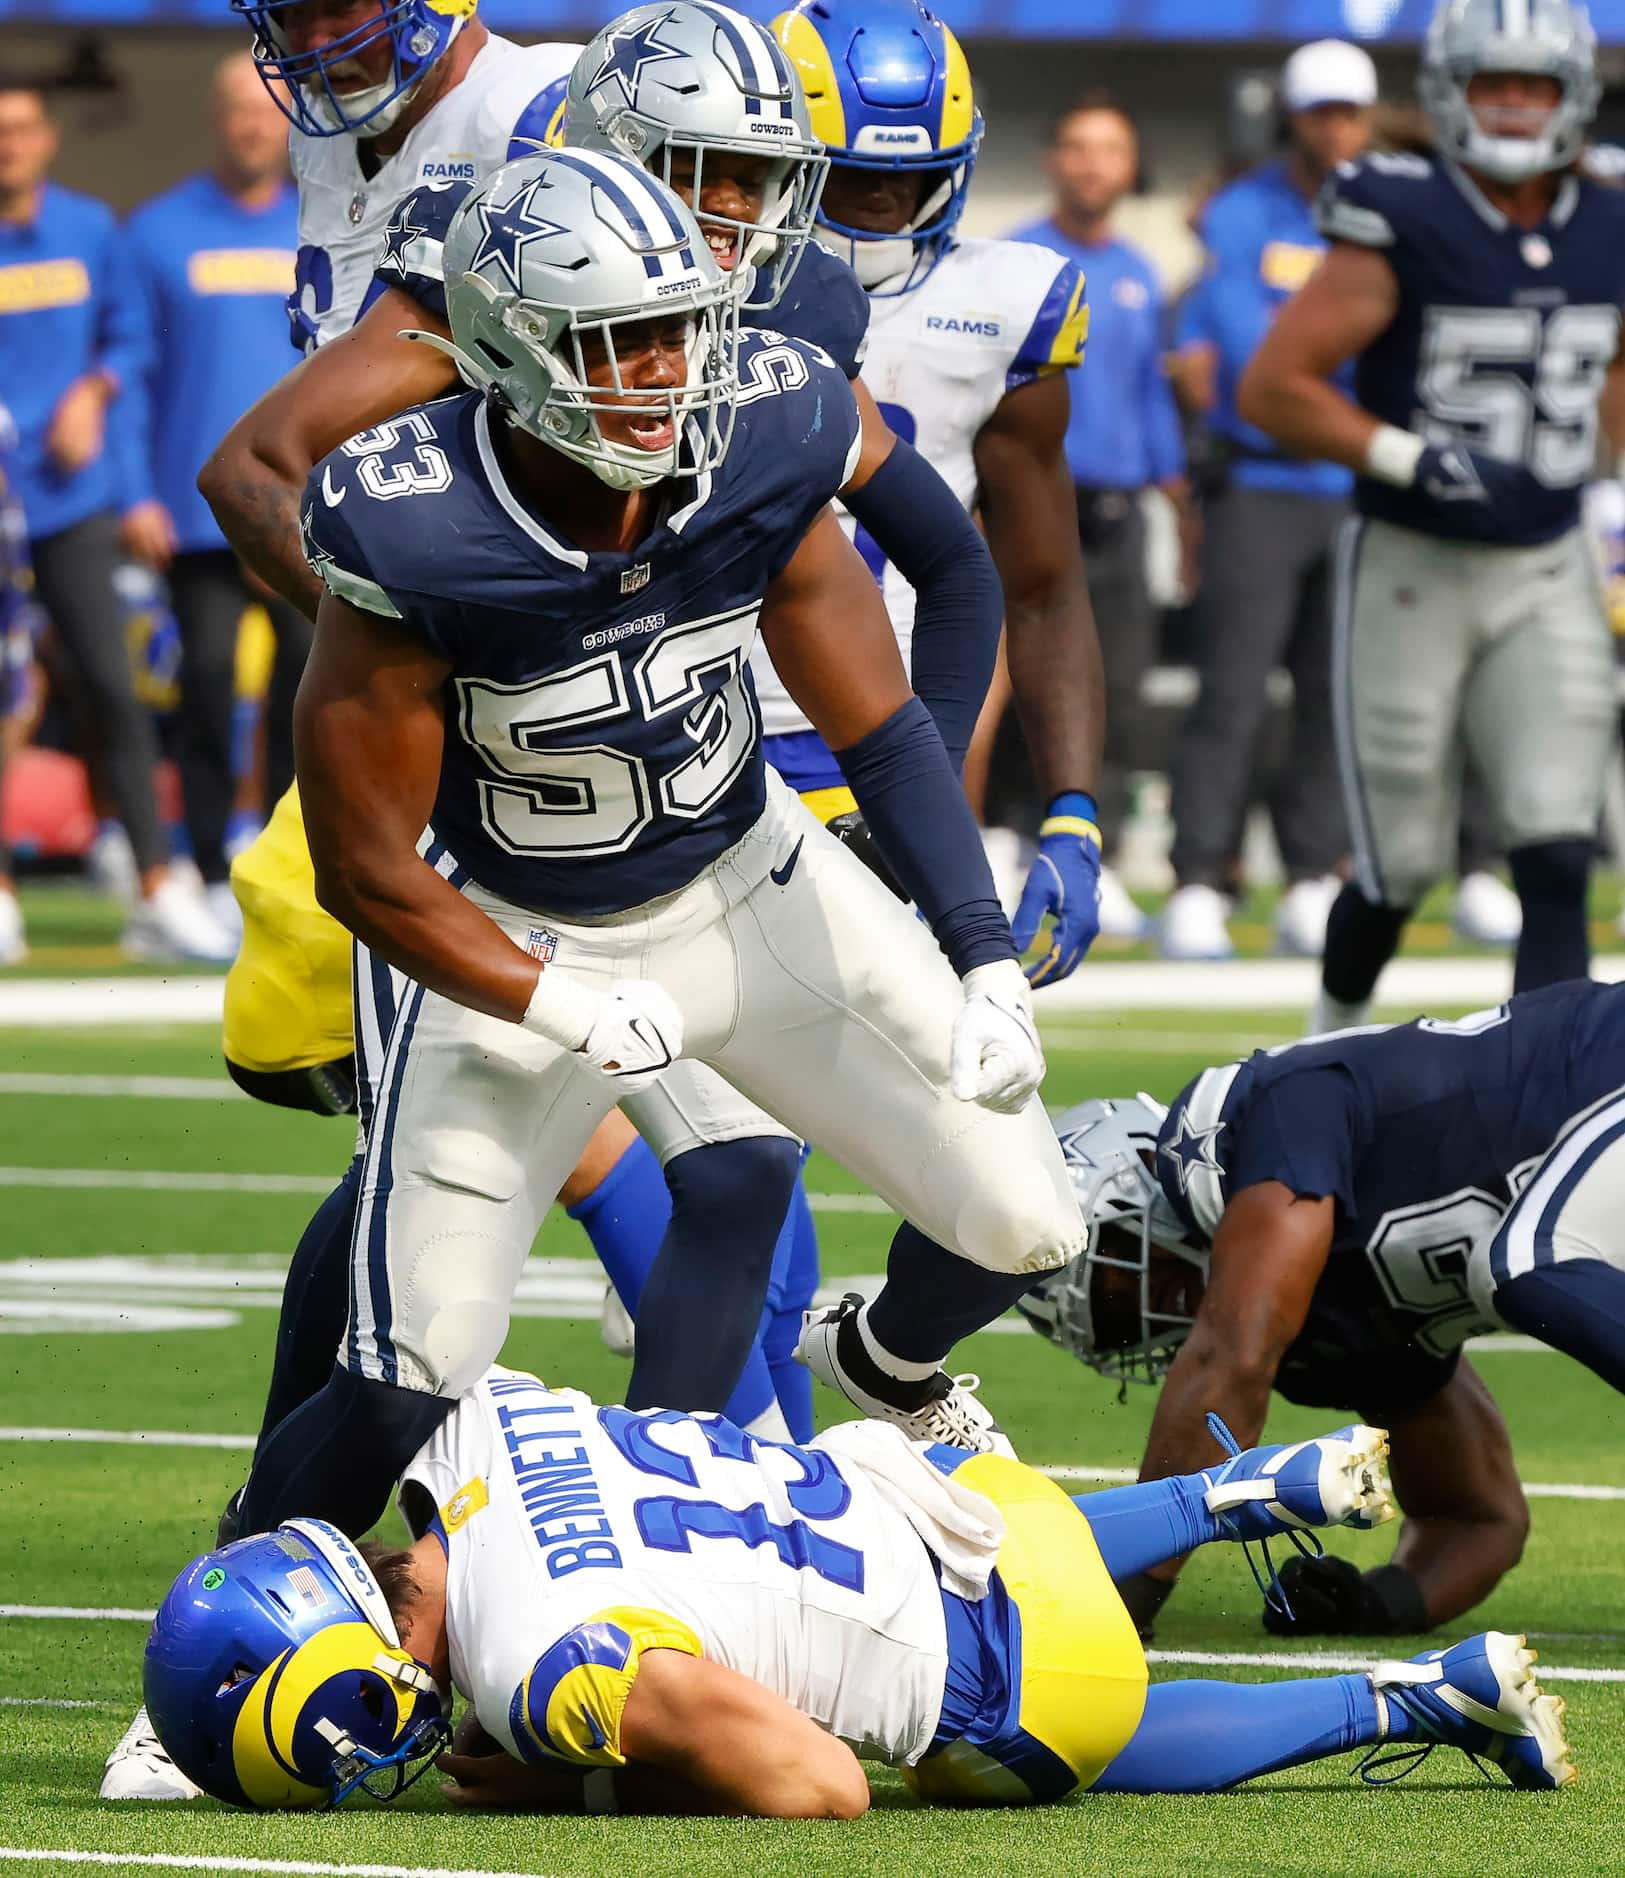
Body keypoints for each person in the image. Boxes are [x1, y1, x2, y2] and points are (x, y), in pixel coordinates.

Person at [199, 1, 1006, 1493]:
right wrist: (455, 669)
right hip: (467, 813)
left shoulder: (794, 307)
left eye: (763, 179)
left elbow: (951, 568)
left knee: (737, 1161)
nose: (748, 220)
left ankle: (672, 1511)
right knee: (436, 1209)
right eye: (707, 174)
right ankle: (271, 1566)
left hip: (684, 794)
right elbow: (259, 464)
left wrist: (920, 803)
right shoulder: (497, 245)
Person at [142, 1364, 1577, 1813]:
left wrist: (581, 1778)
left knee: (961, 1759)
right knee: (949, 1534)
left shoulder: (536, 1666)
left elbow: (817, 1781)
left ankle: (1410, 1692)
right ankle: (1233, 1490)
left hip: (1032, 1671)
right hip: (951, 1496)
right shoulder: (478, 1422)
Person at [1023, 976, 1625, 1640]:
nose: (1148, 1310)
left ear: (1130, 1172)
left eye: (1116, 1280)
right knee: (1528, 1264)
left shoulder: (1264, 1112)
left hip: (1606, 1062)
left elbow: (1235, 1353)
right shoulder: (1331, 1324)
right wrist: (1378, 1602)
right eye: (1117, 1324)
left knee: (1531, 1262)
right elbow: (1476, 1521)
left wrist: (1124, 1587)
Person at [1239, 0, 1625, 1030]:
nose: (1509, 105)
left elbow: (1612, 379)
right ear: (1452, 90)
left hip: (1544, 558)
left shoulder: (1608, 217)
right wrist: (1415, 459)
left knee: (1552, 841)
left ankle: (1544, 1102)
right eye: (1490, 82)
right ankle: (1321, 1046)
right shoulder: (1401, 209)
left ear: (1571, 96)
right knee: (1397, 861)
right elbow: (1274, 387)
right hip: (1412, 563)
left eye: (1530, 85)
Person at [772, 0, 1107, 992]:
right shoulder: (685, 290)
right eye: (855, 174)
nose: (883, 198)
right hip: (692, 732)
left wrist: (1072, 812)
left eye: (908, 175)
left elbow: (1042, 582)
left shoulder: (1002, 306)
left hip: (878, 750)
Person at [0, 77, 233, 961]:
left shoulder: (92, 230)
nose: (8, 146)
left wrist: (94, 392)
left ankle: (156, 886)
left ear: (47, 139)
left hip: (72, 503)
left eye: (21, 130)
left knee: (113, 688)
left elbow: (132, 341)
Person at [1161, 40, 1375, 963]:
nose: (1336, 128)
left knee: (1336, 695)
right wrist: (1330, 400)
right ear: (1291, 115)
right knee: (1232, 692)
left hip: (1351, 486)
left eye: (1349, 112)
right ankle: (1200, 878)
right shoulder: (1245, 211)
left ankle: (1314, 873)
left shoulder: (1379, 206)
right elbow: (1252, 359)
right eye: (1320, 111)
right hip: (1256, 481)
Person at [121, 53, 306, 933]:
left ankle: (282, 857)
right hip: (190, 514)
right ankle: (197, 867)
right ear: (215, 118)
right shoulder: (156, 232)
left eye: (264, 107)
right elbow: (130, 371)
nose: (251, 124)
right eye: (236, 108)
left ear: (286, 114)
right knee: (200, 682)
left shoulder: (323, 223)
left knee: (309, 685)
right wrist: (133, 494)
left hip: (304, 507)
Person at [1007, 94, 1189, 944]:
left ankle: (1094, 850)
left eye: (1108, 149)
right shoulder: (1014, 260)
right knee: (1011, 675)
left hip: (1117, 507)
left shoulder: (1136, 271)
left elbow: (1149, 393)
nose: (1091, 164)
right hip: (1030, 499)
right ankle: (1005, 834)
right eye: (1076, 147)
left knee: (1108, 679)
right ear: (1052, 159)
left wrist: (1176, 497)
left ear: (1128, 166)